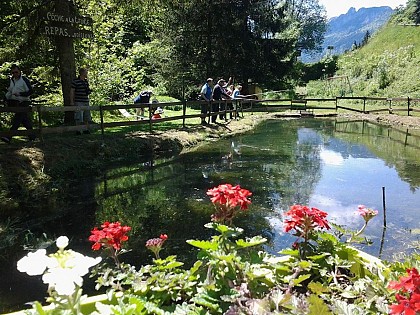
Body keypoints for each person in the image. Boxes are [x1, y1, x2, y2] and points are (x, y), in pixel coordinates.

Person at [1, 64, 35, 143]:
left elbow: (31, 91)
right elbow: (10, 91)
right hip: (16, 102)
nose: (15, 74)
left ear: (19, 72)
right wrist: (5, 99)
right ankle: (33, 136)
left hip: (24, 102)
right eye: (13, 73)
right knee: (23, 119)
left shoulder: (24, 80)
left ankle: (8, 137)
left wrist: (20, 94)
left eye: (16, 72)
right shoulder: (12, 80)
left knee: (17, 118)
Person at [70, 68, 92, 134]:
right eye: (86, 72)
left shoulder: (85, 81)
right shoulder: (75, 81)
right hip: (78, 101)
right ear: (82, 73)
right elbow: (72, 91)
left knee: (86, 116)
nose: (87, 74)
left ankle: (86, 129)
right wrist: (72, 101)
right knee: (79, 116)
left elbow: (87, 90)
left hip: (85, 100)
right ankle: (78, 130)